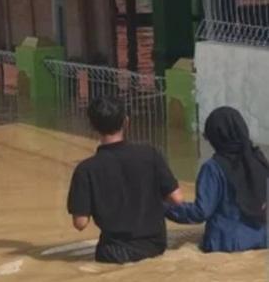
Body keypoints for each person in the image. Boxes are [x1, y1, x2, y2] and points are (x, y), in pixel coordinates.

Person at [67, 96, 184, 264]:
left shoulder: (85, 170)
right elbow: (177, 199)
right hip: (155, 247)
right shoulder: (150, 155)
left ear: (92, 127)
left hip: (112, 253)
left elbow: (80, 223)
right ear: (126, 121)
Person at [166, 107, 269, 253]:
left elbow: (200, 213)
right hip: (262, 241)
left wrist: (165, 208)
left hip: (225, 244)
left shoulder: (213, 168)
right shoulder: (259, 161)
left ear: (216, 137)